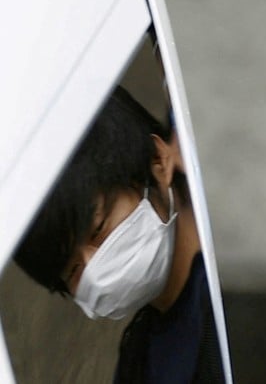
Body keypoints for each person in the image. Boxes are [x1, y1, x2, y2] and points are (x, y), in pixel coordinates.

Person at [14, 86, 225, 383]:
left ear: (157, 160)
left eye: (99, 229)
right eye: (74, 271)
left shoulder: (235, 291)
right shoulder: (138, 362)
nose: (96, 268)